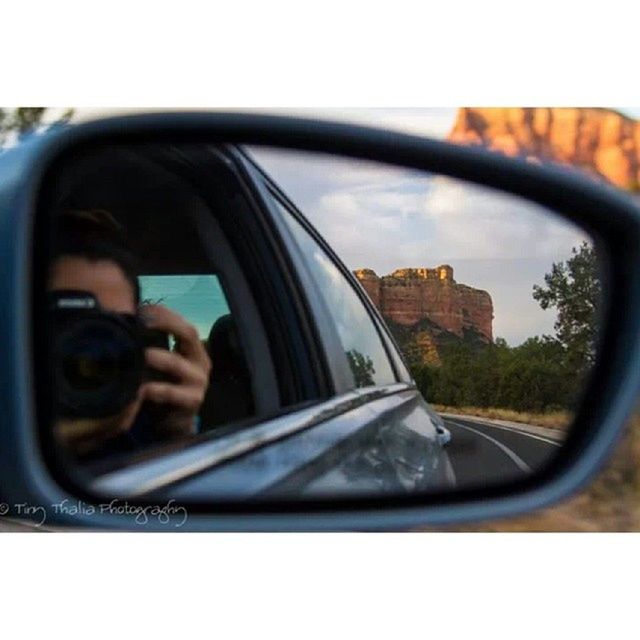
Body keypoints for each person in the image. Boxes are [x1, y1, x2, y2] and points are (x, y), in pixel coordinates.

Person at [49, 210, 211, 459]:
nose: (87, 353)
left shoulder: (138, 420)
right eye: (62, 324)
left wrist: (176, 432)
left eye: (110, 328)